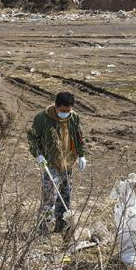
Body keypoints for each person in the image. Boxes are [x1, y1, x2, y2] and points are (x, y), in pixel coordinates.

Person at [26, 91, 87, 233]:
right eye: (63, 110)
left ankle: (62, 225)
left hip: (68, 162)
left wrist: (81, 155)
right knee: (49, 197)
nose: (66, 113)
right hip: (51, 163)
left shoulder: (74, 118)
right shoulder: (43, 118)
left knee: (65, 196)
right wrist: (38, 155)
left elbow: (79, 137)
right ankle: (43, 228)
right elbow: (33, 138)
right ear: (56, 106)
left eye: (68, 110)